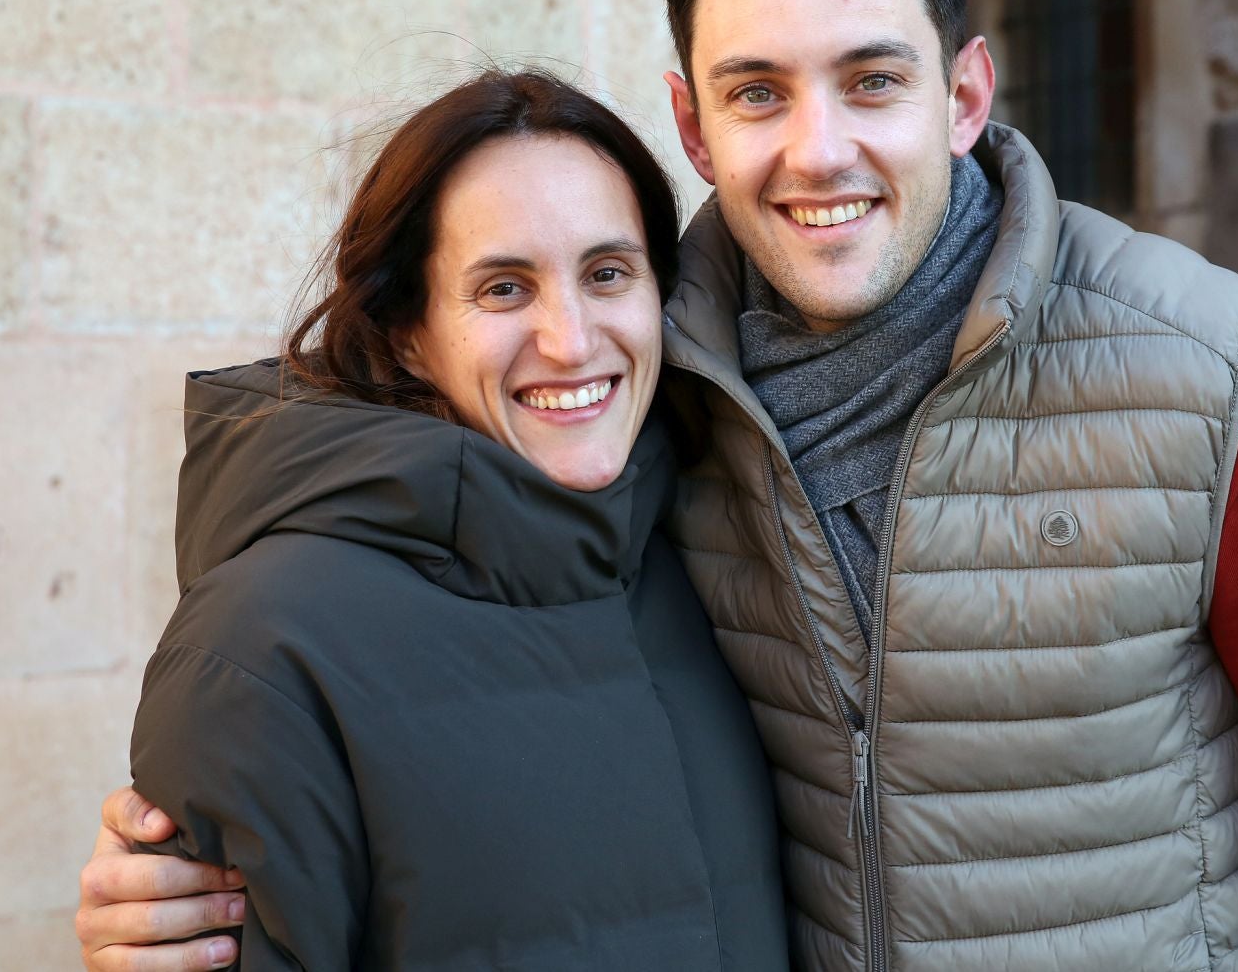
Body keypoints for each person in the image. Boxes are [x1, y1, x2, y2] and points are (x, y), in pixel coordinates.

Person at [77, 0, 1238, 972]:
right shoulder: (650, 402)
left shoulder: (1204, 367)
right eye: (759, 93)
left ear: (966, 95)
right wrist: (188, 884)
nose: (818, 149)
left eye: (872, 80)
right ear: (694, 128)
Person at [112, 69, 786, 971]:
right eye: (504, 289)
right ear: (406, 333)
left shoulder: (708, 544)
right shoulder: (264, 648)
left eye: (608, 273)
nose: (572, 338)